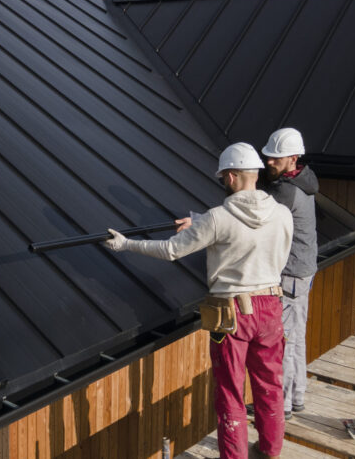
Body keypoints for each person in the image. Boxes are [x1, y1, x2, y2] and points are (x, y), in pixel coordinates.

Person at [103, 143, 293, 459]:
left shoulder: (217, 219)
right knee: (270, 384)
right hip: (271, 307)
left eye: (223, 178)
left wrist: (126, 244)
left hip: (233, 313)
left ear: (231, 176)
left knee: (231, 391)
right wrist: (200, 223)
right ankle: (271, 450)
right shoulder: (283, 213)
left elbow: (171, 250)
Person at [261, 127, 318, 421]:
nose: (268, 161)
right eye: (268, 156)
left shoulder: (285, 191)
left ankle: (281, 407)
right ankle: (296, 398)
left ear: (293, 158)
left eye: (276, 158)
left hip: (292, 274)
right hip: (303, 271)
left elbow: (256, 215)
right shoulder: (304, 181)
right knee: (296, 337)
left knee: (283, 341)